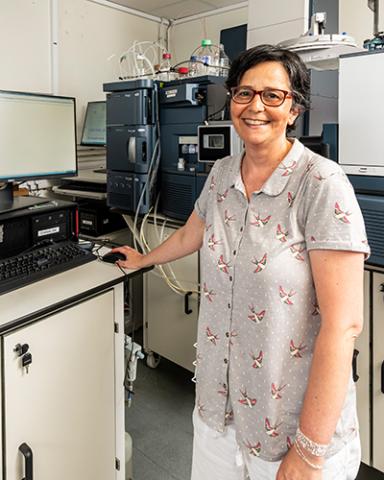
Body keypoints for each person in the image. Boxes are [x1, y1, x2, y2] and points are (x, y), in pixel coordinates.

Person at [113, 44, 370, 480]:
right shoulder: (222, 174)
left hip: (288, 426)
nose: (255, 106)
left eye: (273, 95)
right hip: (219, 408)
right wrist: (145, 260)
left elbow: (343, 325)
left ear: (294, 109)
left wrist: (308, 453)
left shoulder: (322, 184)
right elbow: (194, 231)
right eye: (244, 93)